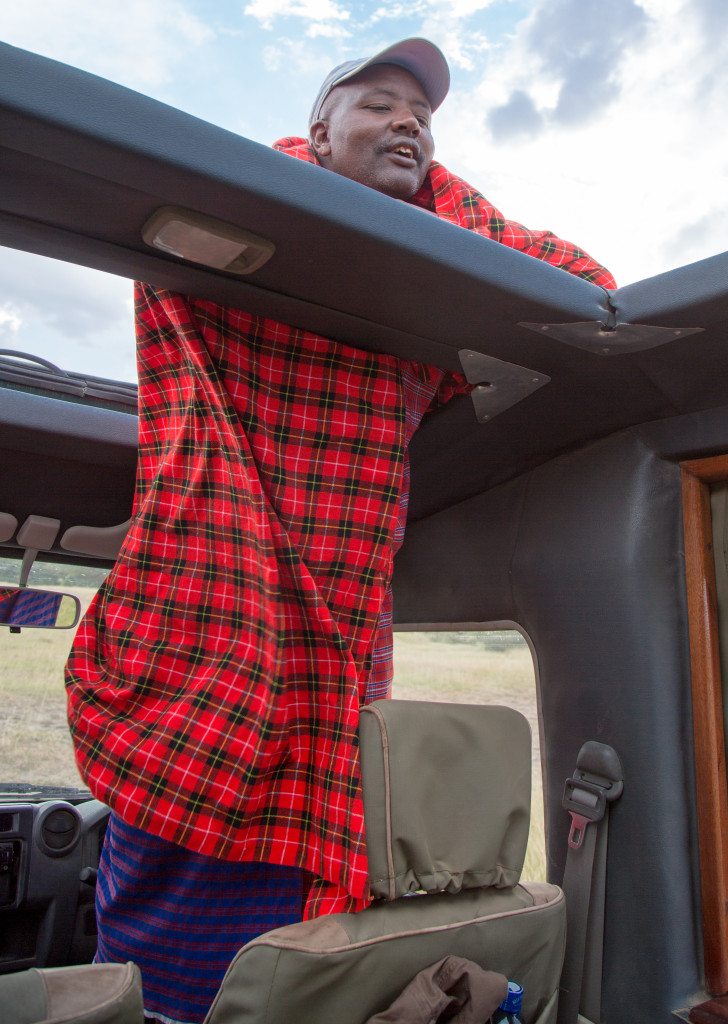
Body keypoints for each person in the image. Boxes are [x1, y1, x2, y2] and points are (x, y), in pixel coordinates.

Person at [65, 38, 615, 1024]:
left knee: (286, 987)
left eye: (427, 116)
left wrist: (418, 185)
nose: (412, 122)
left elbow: (582, 281)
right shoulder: (224, 226)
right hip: (195, 663)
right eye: (379, 103)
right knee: (156, 989)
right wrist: (358, 173)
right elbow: (213, 192)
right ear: (314, 132)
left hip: (328, 701)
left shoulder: (421, 310)